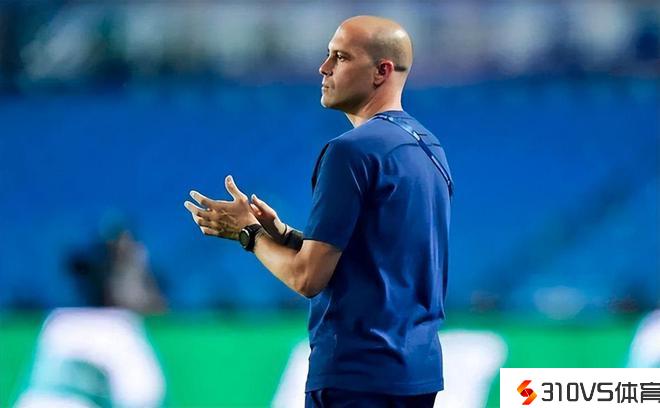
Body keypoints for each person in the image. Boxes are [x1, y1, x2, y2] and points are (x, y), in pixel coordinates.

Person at [184, 15, 452, 407]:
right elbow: (379, 257)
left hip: (356, 375)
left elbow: (307, 277)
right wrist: (284, 234)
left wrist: (248, 234)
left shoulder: (351, 151)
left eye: (340, 57)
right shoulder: (429, 147)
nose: (323, 68)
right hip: (416, 373)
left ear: (382, 71)